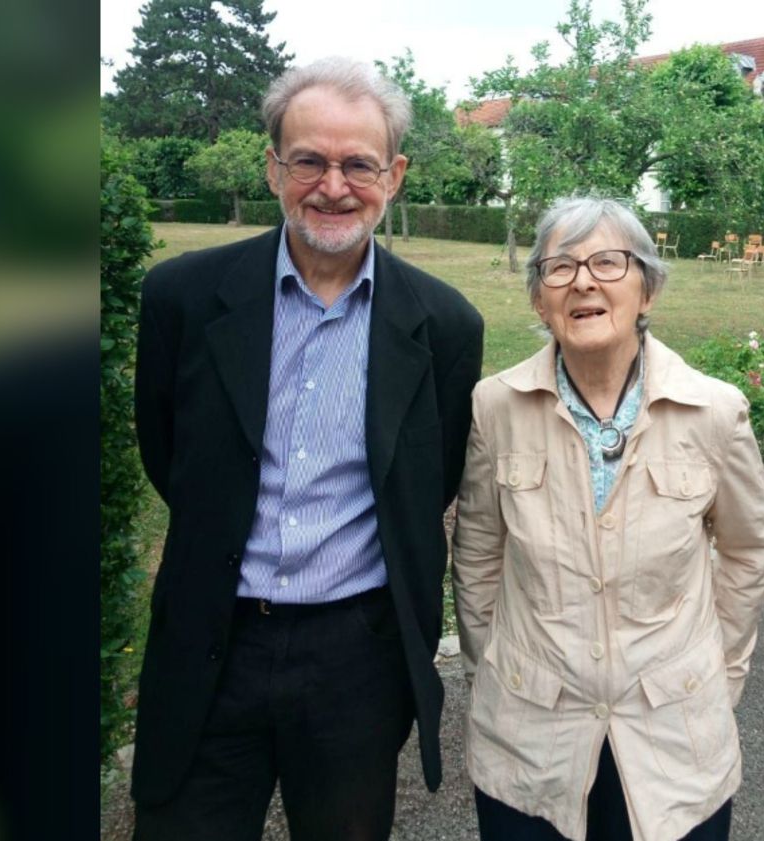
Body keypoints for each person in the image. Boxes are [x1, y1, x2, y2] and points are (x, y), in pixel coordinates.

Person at [131, 57, 484, 840]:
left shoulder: (446, 327)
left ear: (393, 174)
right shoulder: (182, 297)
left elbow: (428, 482)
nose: (333, 185)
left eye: (358, 163)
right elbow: (170, 455)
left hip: (355, 661)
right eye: (309, 161)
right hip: (210, 640)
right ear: (272, 168)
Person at [452, 197, 764, 841]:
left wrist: (720, 669)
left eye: (608, 262)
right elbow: (478, 552)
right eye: (559, 267)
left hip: (674, 746)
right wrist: (493, 667)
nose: (583, 282)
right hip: (529, 740)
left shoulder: (713, 411)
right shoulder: (496, 407)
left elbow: (747, 550)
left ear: (647, 288)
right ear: (539, 302)